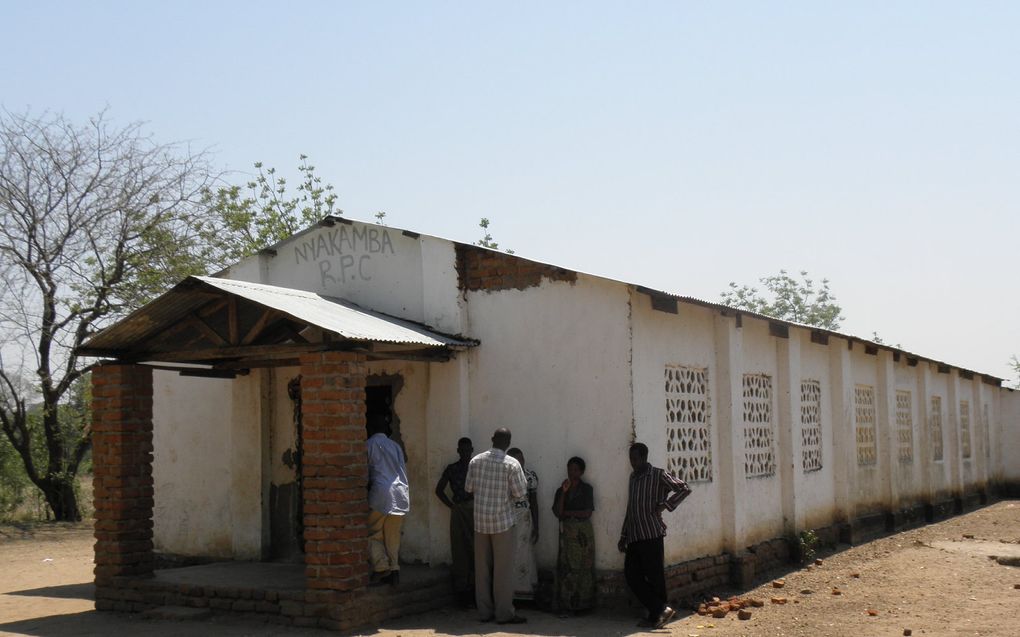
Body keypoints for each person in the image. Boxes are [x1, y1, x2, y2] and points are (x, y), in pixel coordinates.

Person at [618, 442, 692, 629]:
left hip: (651, 534)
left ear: (644, 458)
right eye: (630, 459)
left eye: (635, 459)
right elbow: (631, 507)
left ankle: (656, 615)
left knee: (655, 576)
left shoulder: (658, 475)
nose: (632, 462)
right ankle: (660, 609)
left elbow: (684, 488)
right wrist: (624, 534)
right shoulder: (632, 478)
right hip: (635, 535)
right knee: (631, 574)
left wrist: (665, 505)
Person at [465, 428, 528, 625]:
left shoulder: (476, 461)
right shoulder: (512, 464)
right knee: (503, 570)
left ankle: (484, 612)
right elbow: (520, 493)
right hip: (503, 523)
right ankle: (503, 614)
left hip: (480, 522)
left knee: (482, 569)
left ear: (492, 439)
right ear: (508, 442)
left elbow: (468, 489)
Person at [366, 413, 410, 587]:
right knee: (393, 537)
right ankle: (394, 570)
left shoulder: (368, 445)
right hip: (400, 494)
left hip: (380, 494)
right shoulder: (395, 446)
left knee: (372, 533)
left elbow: (364, 472)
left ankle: (381, 567)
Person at [551, 456, 596, 614]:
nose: (572, 473)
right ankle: (567, 604)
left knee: (584, 566)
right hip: (567, 534)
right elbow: (558, 512)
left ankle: (583, 604)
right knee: (567, 566)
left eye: (576, 470)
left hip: (582, 534)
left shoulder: (587, 489)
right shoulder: (561, 490)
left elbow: (587, 513)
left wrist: (567, 513)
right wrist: (563, 493)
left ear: (582, 472)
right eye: (570, 469)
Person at [434, 437, 475, 606]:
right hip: (458, 510)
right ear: (458, 451)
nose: (465, 453)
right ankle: (462, 593)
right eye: (462, 450)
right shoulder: (452, 469)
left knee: (476, 549)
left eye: (468, 450)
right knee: (459, 550)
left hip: (475, 510)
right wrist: (452, 506)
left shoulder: (477, 467)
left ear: (472, 450)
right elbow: (439, 490)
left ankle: (475, 590)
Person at [506, 447, 539, 600]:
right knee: (509, 555)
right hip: (508, 522)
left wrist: (537, 526)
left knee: (526, 554)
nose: (519, 462)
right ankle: (510, 594)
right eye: (516, 460)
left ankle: (526, 592)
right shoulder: (503, 477)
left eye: (521, 459)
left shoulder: (530, 476)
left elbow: (534, 502)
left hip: (525, 522)